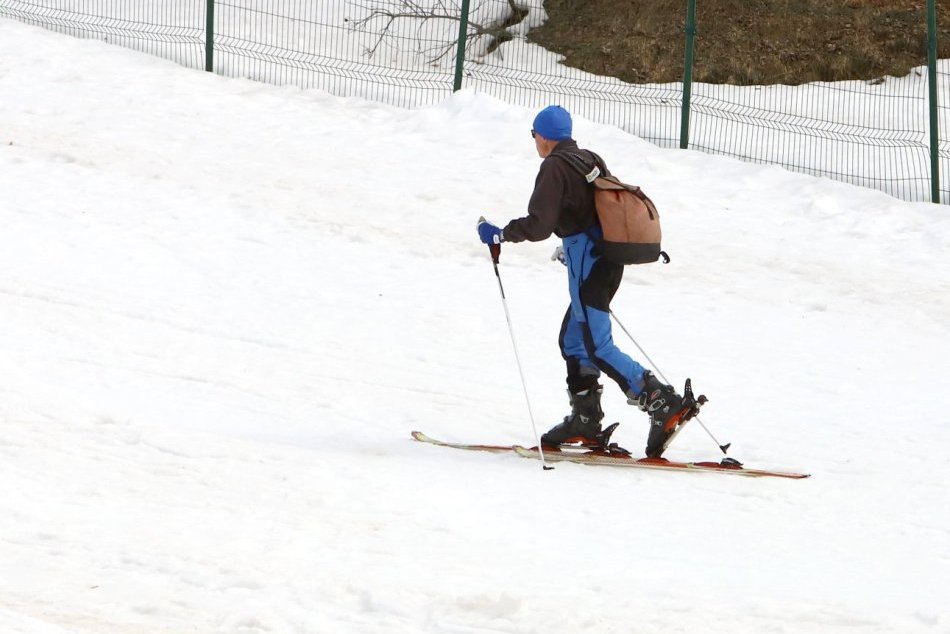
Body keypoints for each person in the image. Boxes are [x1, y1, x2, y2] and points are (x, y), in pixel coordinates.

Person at [476, 105, 697, 458]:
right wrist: (571, 243)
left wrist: (499, 233)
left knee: (598, 345)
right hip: (604, 257)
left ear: (544, 136)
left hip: (590, 263)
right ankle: (585, 420)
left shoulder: (553, 166)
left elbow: (539, 225)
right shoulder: (588, 158)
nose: (535, 141)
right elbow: (594, 209)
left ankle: (661, 401)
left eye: (534, 135)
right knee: (574, 340)